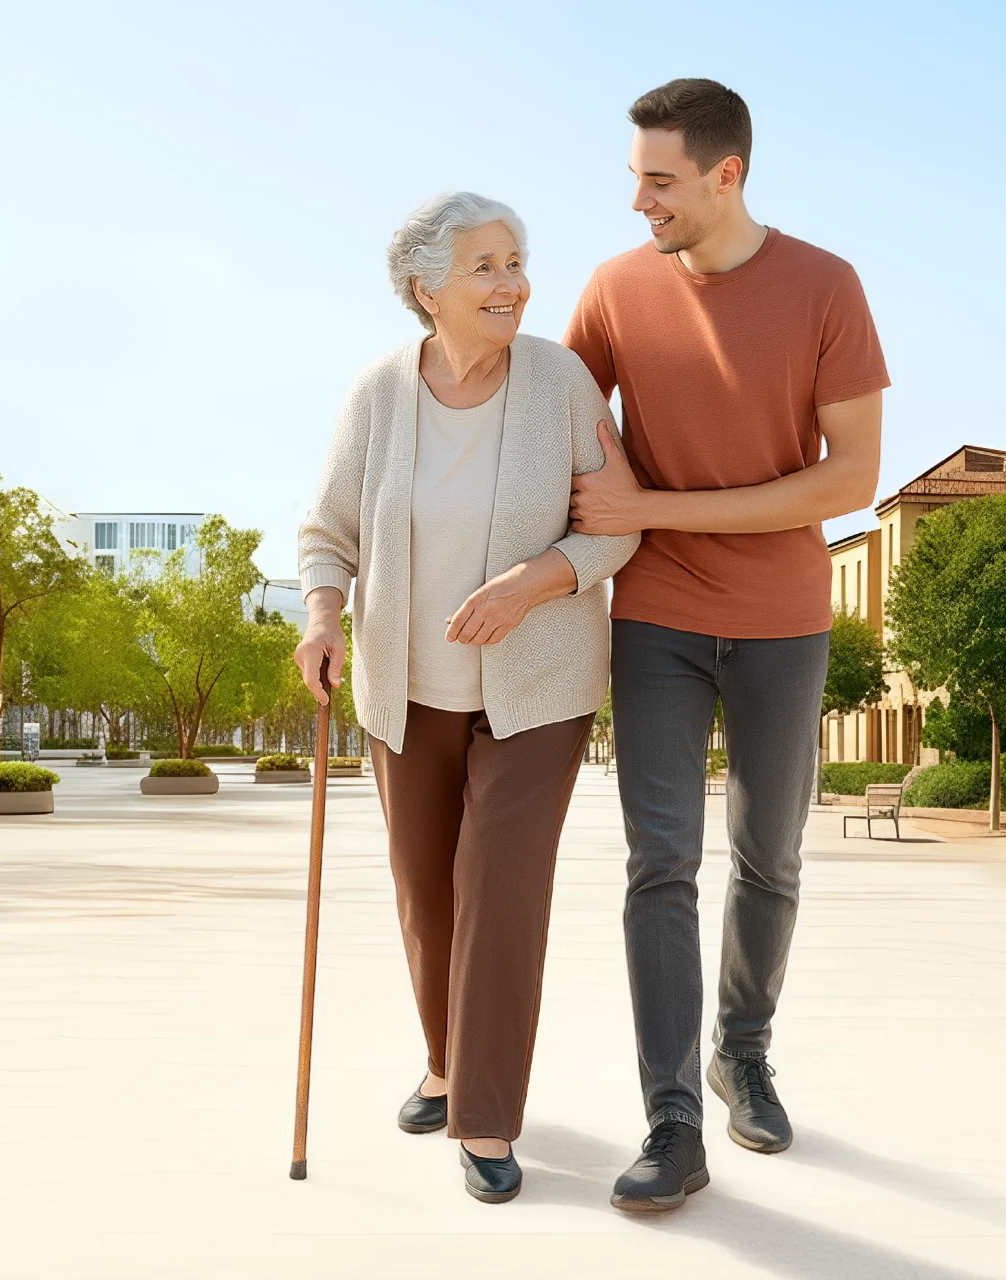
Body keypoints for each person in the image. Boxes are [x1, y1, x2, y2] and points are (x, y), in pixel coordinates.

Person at [564, 79, 887, 1212]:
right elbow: (555, 422)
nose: (638, 198)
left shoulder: (825, 286)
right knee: (660, 860)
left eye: (659, 179)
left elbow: (852, 477)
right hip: (652, 618)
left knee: (769, 855)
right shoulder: (611, 291)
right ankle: (672, 1114)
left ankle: (740, 1048)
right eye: (636, 176)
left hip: (784, 620)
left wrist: (656, 506)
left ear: (725, 174)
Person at [295, 192, 638, 1204]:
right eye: (487, 266)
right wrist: (322, 618)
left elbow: (617, 523)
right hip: (405, 688)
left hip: (539, 687)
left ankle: (486, 1114)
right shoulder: (378, 394)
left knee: (500, 889)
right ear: (426, 288)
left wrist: (534, 581)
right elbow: (329, 531)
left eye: (518, 261)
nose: (514, 284)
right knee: (426, 893)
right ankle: (445, 1063)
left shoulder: (561, 381)